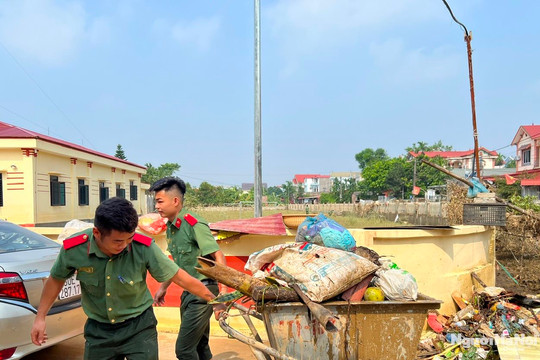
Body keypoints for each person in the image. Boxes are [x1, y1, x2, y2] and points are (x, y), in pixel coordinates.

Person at [30, 197, 222, 360]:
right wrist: (40, 317)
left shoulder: (142, 247)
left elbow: (180, 277)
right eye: (118, 241)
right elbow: (56, 280)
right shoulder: (74, 249)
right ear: (97, 233)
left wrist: (214, 300)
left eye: (129, 238)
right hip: (99, 332)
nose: (125, 245)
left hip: (139, 328)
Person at [150, 177, 227, 360]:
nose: (157, 206)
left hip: (204, 293)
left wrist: (223, 294)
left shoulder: (194, 224)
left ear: (175, 201)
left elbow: (218, 255)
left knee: (184, 350)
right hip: (188, 293)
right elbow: (176, 265)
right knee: (199, 345)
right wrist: (163, 287)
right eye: (156, 202)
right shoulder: (170, 227)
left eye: (160, 201)